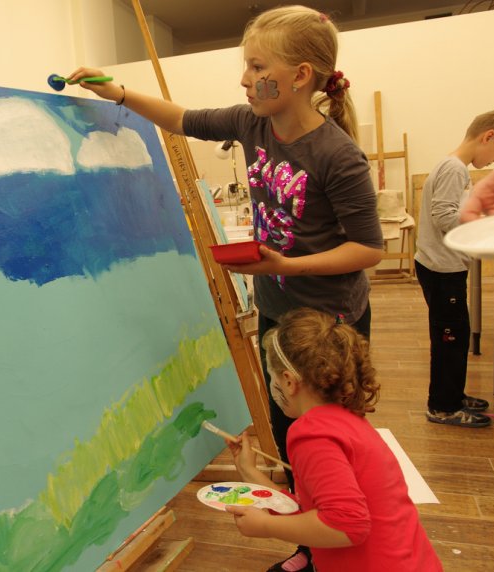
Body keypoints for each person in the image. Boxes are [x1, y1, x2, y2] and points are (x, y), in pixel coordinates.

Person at [68, 6, 383, 570]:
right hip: (278, 313)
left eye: (257, 67)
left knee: (327, 442)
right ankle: (309, 546)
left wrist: (289, 264)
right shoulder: (250, 123)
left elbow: (368, 249)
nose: (244, 78)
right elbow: (182, 118)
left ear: (300, 76)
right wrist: (119, 93)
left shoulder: (337, 155)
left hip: (328, 324)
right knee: (289, 433)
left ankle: (342, 542)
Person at [223, 307, 442, 571]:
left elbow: (346, 525)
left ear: (289, 382)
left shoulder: (311, 435)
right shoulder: (344, 417)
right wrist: (249, 470)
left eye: (272, 376)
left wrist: (266, 525)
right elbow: (313, 512)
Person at [414, 109, 494, 428]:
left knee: (456, 335)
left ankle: (452, 394)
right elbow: (444, 217)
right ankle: (442, 406)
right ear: (488, 137)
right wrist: (482, 222)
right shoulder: (454, 169)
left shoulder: (453, 166)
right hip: (442, 270)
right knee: (450, 339)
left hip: (441, 266)